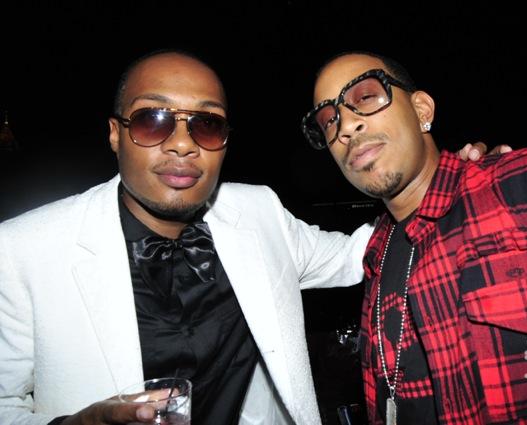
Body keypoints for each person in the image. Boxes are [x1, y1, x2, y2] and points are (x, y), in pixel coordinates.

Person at [0, 49, 492, 425]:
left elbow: (360, 254)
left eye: (206, 124)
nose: (182, 144)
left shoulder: (258, 213)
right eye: (153, 120)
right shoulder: (23, 250)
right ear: (115, 133)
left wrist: (458, 181)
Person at [302, 51, 527, 424]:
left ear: (421, 110)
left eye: (365, 97)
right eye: (329, 120)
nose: (346, 126)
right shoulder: (375, 255)